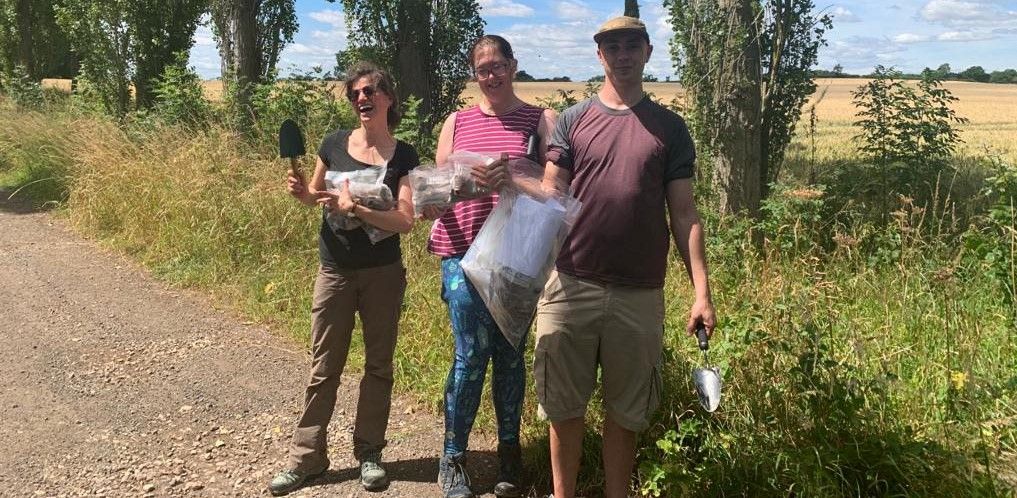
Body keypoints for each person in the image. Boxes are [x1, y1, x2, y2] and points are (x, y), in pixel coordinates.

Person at [535, 16, 718, 498]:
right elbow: (552, 196)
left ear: (647, 52)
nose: (622, 54)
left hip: (639, 293)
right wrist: (512, 189)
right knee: (564, 408)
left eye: (631, 45)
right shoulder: (573, 121)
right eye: (611, 46)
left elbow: (684, 214)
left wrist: (702, 294)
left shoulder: (670, 129)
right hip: (570, 285)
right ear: (599, 56)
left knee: (626, 412)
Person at [268, 61, 419, 496]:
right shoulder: (333, 144)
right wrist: (304, 195)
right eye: (354, 94)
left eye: (369, 91)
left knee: (378, 365)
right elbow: (316, 196)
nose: (361, 98)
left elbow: (405, 220)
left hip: (383, 274)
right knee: (324, 366)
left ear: (388, 97)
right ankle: (307, 458)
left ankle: (369, 452)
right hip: (334, 269)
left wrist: (360, 209)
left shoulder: (404, 155)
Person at [425, 34, 556, 498]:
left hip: (516, 257)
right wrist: (455, 186)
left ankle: (508, 456)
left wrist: (515, 178)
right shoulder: (456, 122)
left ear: (513, 66)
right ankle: (453, 457)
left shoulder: (542, 120)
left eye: (498, 65)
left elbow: (560, 188)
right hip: (461, 252)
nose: (491, 75)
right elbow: (435, 189)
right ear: (474, 74)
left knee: (509, 356)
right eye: (482, 68)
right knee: (469, 354)